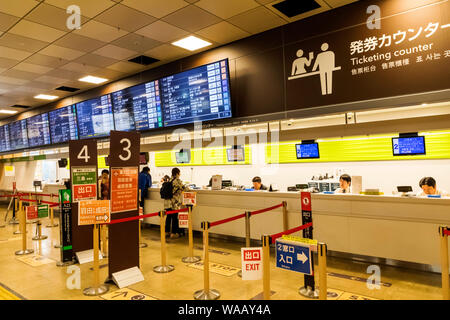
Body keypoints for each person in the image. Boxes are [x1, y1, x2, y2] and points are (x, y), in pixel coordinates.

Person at [164, 168, 188, 239]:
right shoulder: (177, 180)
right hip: (175, 202)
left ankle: (167, 232)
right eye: (179, 173)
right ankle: (174, 233)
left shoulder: (170, 179)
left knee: (168, 217)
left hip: (168, 202)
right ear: (177, 173)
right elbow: (185, 189)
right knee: (174, 218)